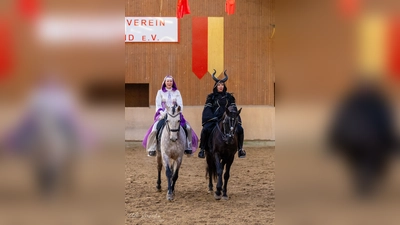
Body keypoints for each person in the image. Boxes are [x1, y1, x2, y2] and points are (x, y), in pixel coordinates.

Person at [143, 75, 198, 157]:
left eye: (171, 81)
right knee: (154, 129)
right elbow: (158, 105)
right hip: (163, 114)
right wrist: (162, 112)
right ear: (165, 82)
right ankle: (152, 148)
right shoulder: (160, 92)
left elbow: (180, 105)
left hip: (175, 115)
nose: (169, 83)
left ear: (173, 82)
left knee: (188, 128)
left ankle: (188, 147)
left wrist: (176, 111)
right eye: (167, 81)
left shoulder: (177, 92)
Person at [198, 70, 246, 159]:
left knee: (240, 129)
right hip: (215, 119)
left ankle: (240, 150)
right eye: (219, 85)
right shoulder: (211, 97)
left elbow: (233, 108)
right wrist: (211, 118)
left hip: (228, 119)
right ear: (216, 86)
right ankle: (202, 149)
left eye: (222, 85)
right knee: (205, 129)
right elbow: (207, 109)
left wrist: (232, 116)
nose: (221, 87)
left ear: (224, 86)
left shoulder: (229, 97)